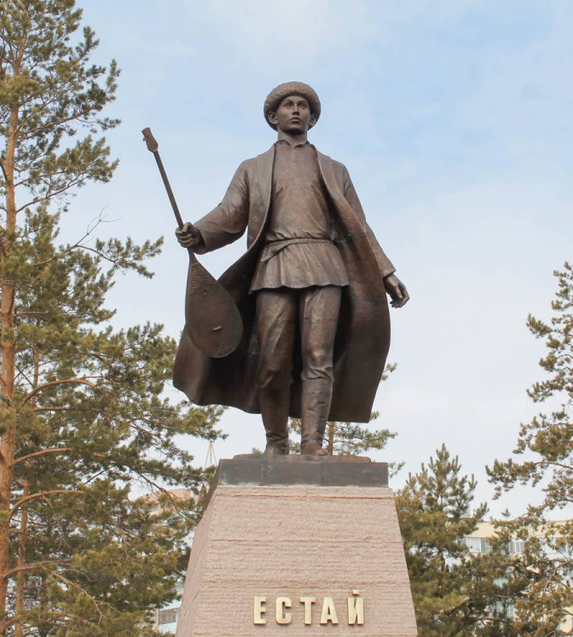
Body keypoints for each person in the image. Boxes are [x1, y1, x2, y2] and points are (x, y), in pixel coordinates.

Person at [173, 81, 408, 456]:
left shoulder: (334, 170)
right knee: (272, 361)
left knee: (319, 359)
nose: (296, 110)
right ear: (273, 117)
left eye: (303, 106)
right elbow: (229, 214)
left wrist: (384, 271)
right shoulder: (253, 169)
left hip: (325, 267)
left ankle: (312, 444)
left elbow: (359, 227)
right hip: (274, 267)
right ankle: (276, 443)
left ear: (312, 119)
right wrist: (199, 232)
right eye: (288, 105)